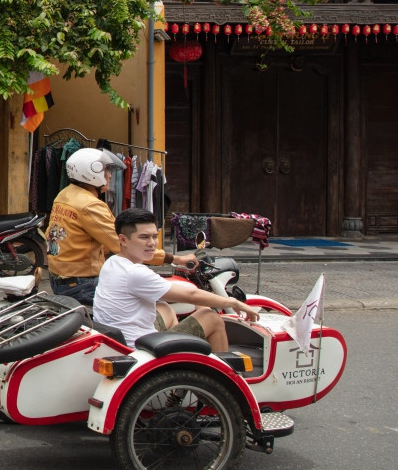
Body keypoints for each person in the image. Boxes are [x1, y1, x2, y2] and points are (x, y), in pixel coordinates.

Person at [45, 147, 195, 305]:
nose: (110, 175)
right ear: (91, 172)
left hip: (60, 279)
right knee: (153, 304)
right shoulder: (89, 205)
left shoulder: (65, 194)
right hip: (82, 284)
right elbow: (124, 245)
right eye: (105, 171)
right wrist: (176, 258)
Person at [93, 208, 259, 350]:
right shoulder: (135, 273)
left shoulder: (113, 262)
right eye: (144, 237)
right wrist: (234, 302)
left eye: (154, 236)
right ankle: (223, 379)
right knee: (211, 317)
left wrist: (176, 259)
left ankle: (181, 355)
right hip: (138, 348)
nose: (152, 243)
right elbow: (192, 295)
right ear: (123, 240)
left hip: (120, 340)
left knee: (165, 308)